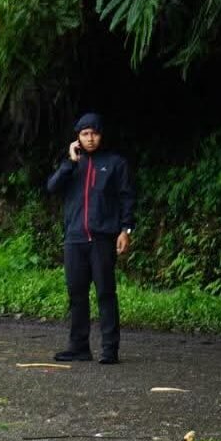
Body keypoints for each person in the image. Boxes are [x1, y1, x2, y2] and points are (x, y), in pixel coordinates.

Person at [45, 112, 134, 364]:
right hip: (74, 238)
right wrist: (70, 162)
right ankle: (79, 347)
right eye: (85, 134)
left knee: (106, 292)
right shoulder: (72, 165)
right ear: (77, 138)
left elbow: (127, 197)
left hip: (102, 238)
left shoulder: (115, 163)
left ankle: (110, 349)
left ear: (101, 135)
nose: (90, 138)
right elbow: (51, 188)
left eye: (94, 133)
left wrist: (126, 230)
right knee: (76, 294)